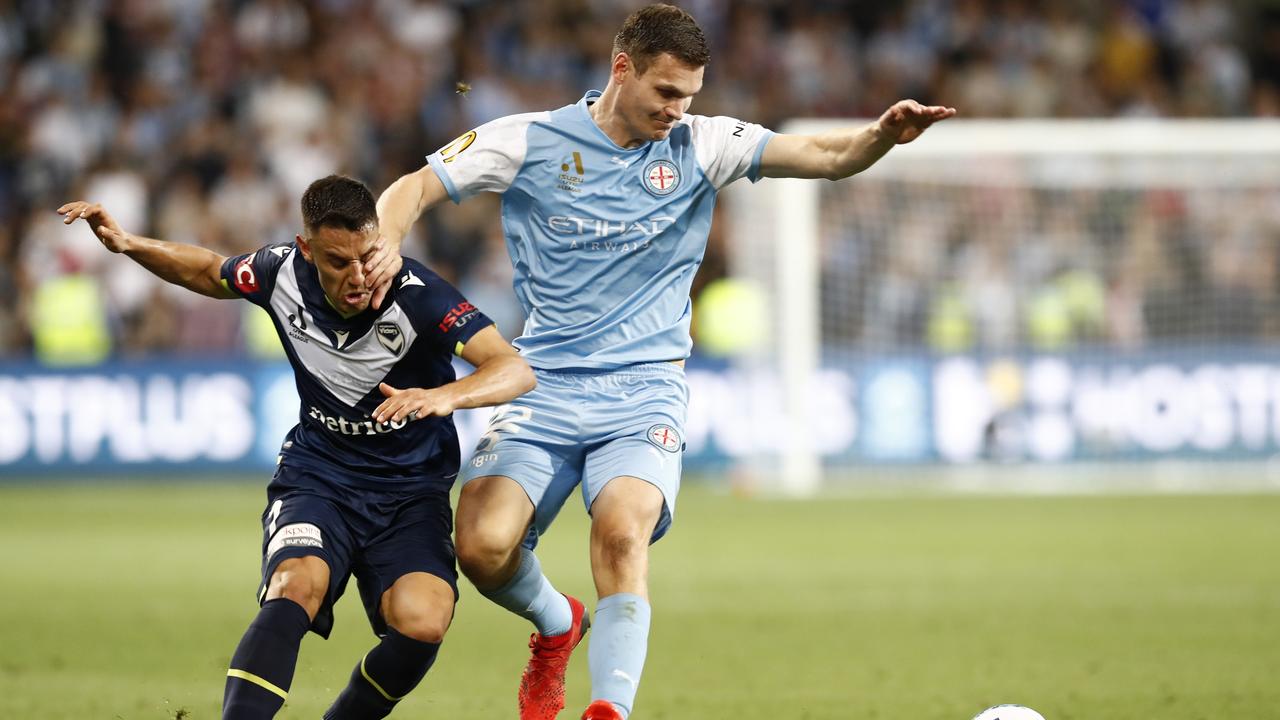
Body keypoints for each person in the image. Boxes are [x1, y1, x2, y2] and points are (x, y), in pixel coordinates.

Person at [369, 5, 956, 719]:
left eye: (689, 96)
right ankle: (557, 624)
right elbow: (415, 186)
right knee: (483, 549)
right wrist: (386, 245)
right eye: (666, 93)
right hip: (540, 383)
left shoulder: (705, 143)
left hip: (644, 391)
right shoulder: (527, 140)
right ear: (622, 69)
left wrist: (879, 137)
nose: (678, 111)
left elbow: (828, 159)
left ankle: (609, 709)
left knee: (620, 532)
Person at [58, 174, 536, 720]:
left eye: (368, 255)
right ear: (307, 249)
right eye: (339, 262)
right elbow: (207, 272)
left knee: (423, 620)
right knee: (295, 585)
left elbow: (512, 367)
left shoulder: (420, 296)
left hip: (410, 494)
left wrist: (443, 396)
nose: (359, 276)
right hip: (320, 478)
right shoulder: (277, 270)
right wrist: (130, 245)